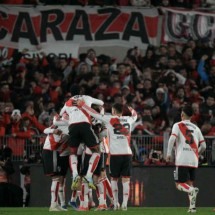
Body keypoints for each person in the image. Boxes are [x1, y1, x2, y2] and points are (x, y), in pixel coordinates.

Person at [75, 101, 137, 211]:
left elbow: (94, 113)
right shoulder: (129, 119)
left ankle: (116, 203)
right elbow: (135, 116)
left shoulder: (110, 120)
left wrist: (83, 105)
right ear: (122, 112)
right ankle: (125, 205)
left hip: (115, 154)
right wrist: (131, 109)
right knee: (126, 180)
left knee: (114, 179)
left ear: (113, 111)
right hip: (127, 154)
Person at [59, 85, 104, 190]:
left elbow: (61, 114)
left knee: (73, 153)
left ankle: (75, 175)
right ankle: (88, 176)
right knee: (97, 151)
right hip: (85, 125)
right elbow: (101, 103)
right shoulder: (86, 98)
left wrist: (68, 114)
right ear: (81, 90)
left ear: (70, 93)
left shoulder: (67, 102)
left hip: (72, 127)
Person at [166, 105, 206, 213]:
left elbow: (171, 139)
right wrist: (197, 153)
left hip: (182, 159)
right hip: (193, 160)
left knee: (179, 184)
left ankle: (192, 191)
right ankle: (192, 208)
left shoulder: (178, 125)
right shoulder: (196, 128)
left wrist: (168, 153)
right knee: (189, 183)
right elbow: (204, 146)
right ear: (192, 116)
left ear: (182, 115)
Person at [42, 113, 70, 212]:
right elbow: (45, 130)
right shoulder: (63, 125)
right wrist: (54, 130)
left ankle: (55, 203)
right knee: (56, 178)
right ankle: (53, 204)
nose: (65, 117)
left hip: (53, 151)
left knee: (57, 178)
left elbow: (46, 130)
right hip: (50, 151)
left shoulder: (64, 125)